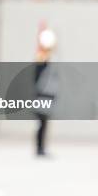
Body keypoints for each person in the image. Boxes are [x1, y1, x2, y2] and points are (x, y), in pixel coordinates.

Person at [35, 24, 58, 157]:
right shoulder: (41, 62)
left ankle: (41, 147)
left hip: (46, 98)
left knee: (44, 124)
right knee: (41, 124)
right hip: (41, 98)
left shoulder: (46, 61)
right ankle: (39, 148)